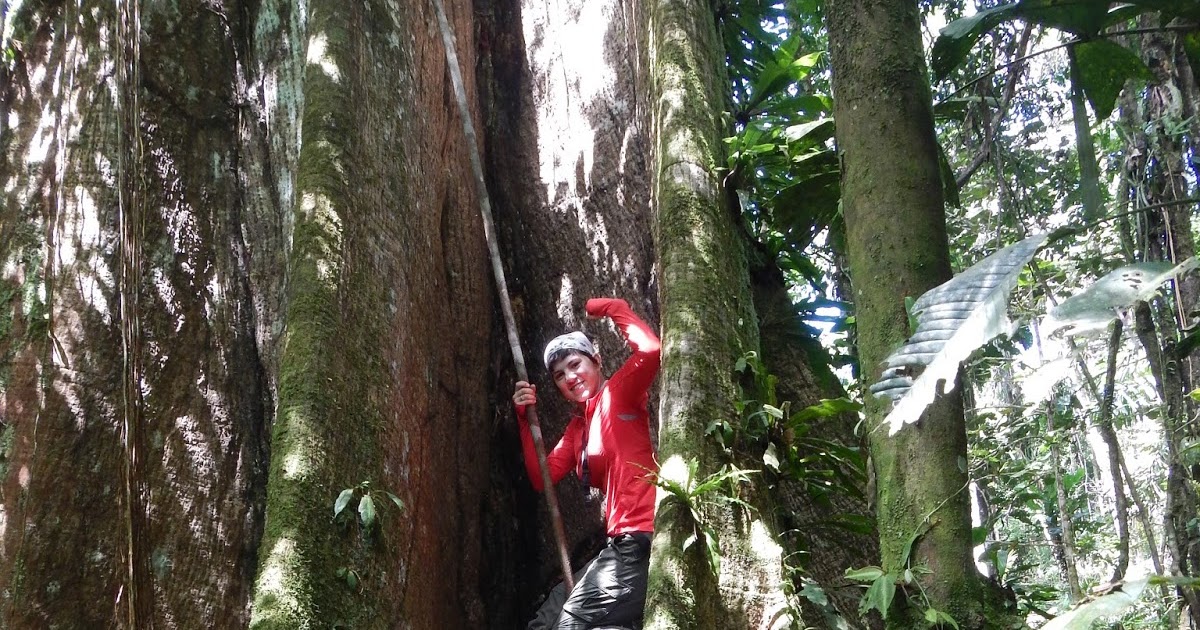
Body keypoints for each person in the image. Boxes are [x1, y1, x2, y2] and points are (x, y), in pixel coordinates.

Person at [513, 297, 661, 630]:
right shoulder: (578, 428)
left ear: (596, 361)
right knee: (548, 616)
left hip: (641, 540)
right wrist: (524, 420)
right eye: (559, 375)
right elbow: (542, 477)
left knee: (570, 624)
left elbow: (651, 350)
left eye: (575, 364)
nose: (569, 377)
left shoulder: (619, 393)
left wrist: (611, 307)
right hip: (618, 547)